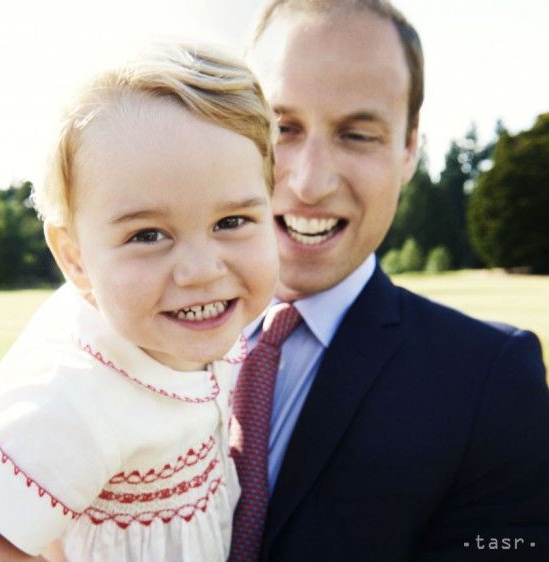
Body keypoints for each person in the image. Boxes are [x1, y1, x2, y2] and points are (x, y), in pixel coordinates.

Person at [0, 44, 279, 562]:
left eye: (231, 223)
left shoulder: (183, 334)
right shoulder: (79, 394)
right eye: (148, 235)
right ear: (75, 259)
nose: (201, 270)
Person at [231, 0, 549, 560]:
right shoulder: (123, 335)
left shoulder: (491, 384)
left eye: (357, 135)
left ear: (408, 148)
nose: (309, 182)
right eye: (282, 127)